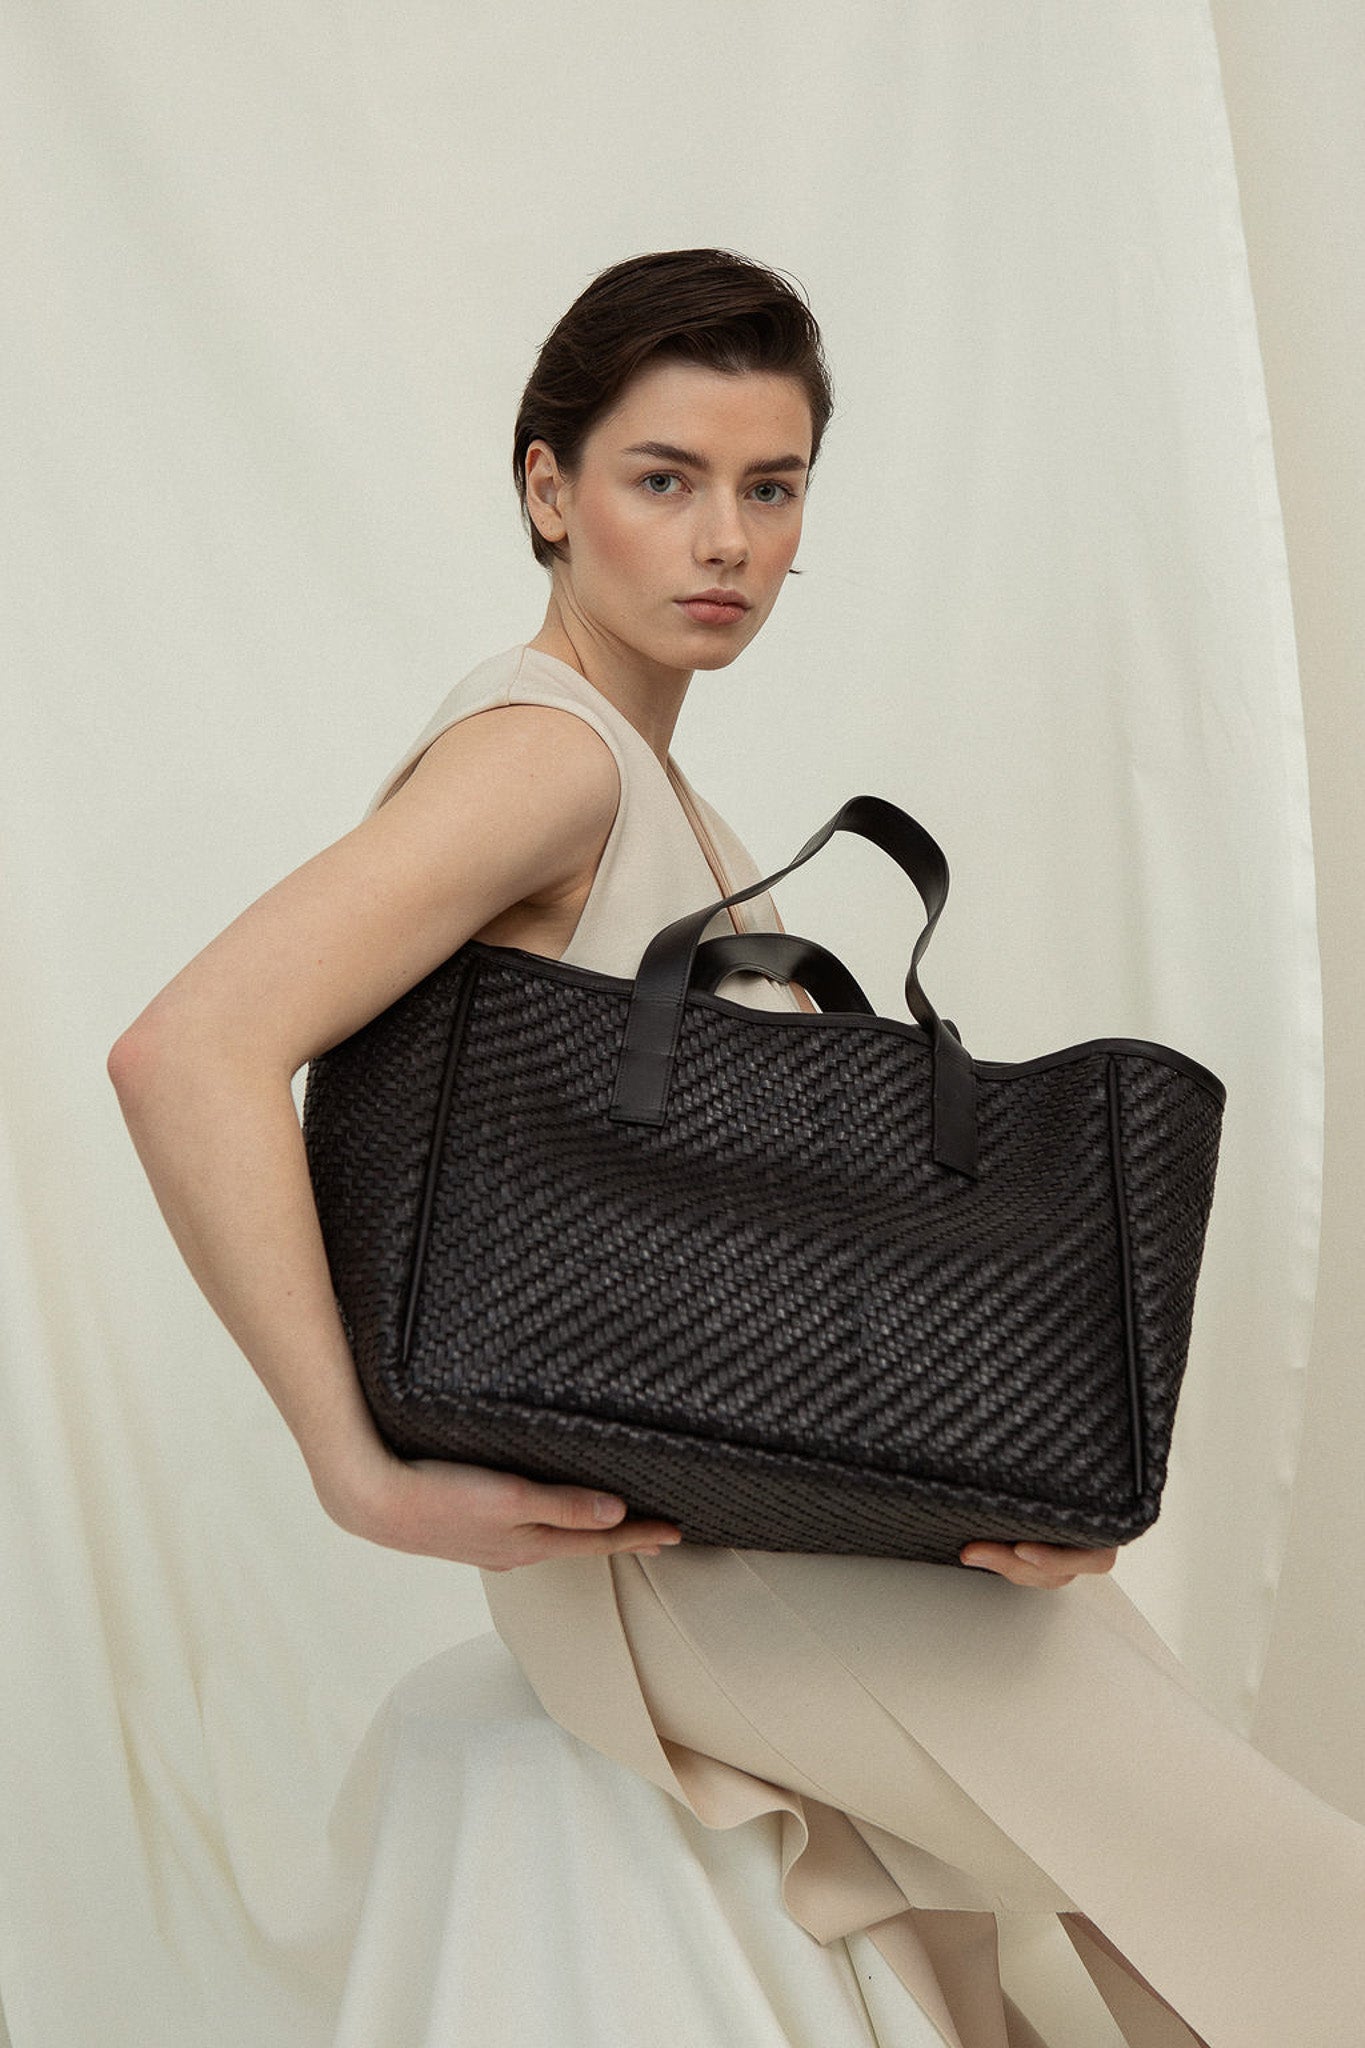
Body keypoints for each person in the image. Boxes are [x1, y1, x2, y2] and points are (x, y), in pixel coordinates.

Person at [109, 248, 1365, 2048]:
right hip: (678, 1574)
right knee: (1264, 1895)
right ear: (549, 490)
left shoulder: (671, 797)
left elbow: (753, 1299)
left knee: (1148, 1873)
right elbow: (188, 1052)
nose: (724, 541)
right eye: (663, 479)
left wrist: (992, 1495)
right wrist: (355, 1471)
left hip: (758, 1535)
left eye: (769, 489)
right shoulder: (545, 759)